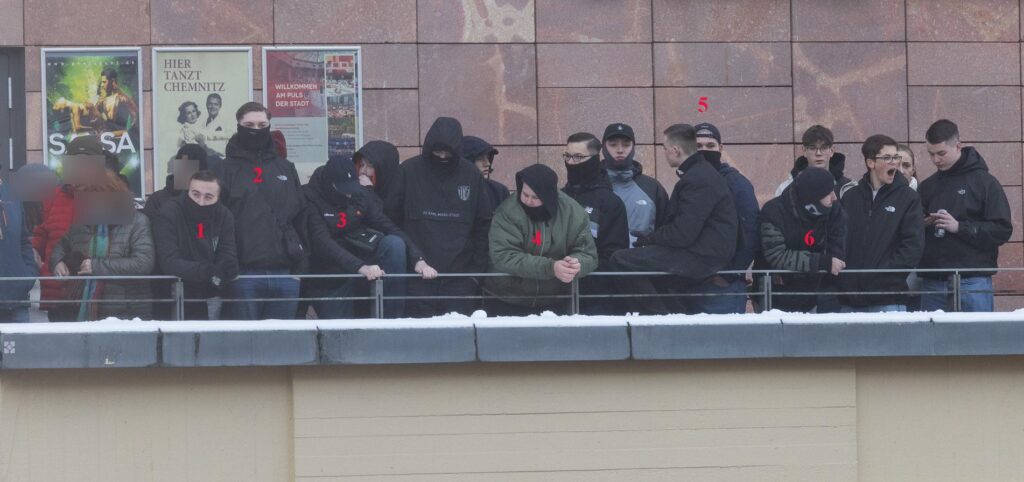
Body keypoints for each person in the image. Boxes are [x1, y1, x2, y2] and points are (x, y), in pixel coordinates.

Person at [211, 102, 324, 320]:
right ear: (239, 126)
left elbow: (300, 219)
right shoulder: (223, 169)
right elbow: (213, 223)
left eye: (262, 124)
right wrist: (228, 269)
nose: (255, 129)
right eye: (249, 124)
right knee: (243, 346)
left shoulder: (285, 168)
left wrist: (300, 270)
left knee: (282, 349)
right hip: (242, 275)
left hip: (285, 274)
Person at [608, 124, 738, 315]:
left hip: (701, 256)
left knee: (620, 260)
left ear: (676, 150)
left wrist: (651, 238)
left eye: (665, 148)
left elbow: (683, 233)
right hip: (702, 252)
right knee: (648, 272)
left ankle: (657, 319)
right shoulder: (699, 174)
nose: (665, 153)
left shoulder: (697, 179)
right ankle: (672, 316)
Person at [302, 155, 437, 318]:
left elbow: (387, 226)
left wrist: (418, 258)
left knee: (394, 244)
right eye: (344, 191)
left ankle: (392, 320)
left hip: (360, 263)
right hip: (330, 277)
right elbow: (322, 242)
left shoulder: (358, 194)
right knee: (340, 334)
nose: (349, 196)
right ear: (330, 184)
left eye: (351, 190)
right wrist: (360, 267)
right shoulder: (309, 196)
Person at [395, 117, 492, 317]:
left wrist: (474, 276)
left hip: (460, 279)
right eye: (437, 152)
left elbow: (483, 226)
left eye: (447, 153)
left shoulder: (471, 176)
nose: (442, 157)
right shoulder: (408, 171)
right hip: (417, 277)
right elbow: (393, 219)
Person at [918, 119, 1013, 312]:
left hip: (972, 280)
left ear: (958, 146)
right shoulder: (928, 186)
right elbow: (910, 229)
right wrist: (923, 224)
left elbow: (1002, 230)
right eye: (931, 154)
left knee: (977, 341)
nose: (936, 159)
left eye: (941, 153)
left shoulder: (985, 183)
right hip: (933, 280)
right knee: (932, 342)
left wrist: (959, 227)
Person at [484, 164, 598, 315]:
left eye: (536, 197)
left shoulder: (573, 213)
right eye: (524, 194)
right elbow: (504, 256)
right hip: (508, 298)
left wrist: (575, 265)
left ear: (549, 196)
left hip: (555, 300)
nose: (529, 201)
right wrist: (551, 268)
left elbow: (588, 254)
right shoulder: (507, 212)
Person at [50, 170, 155, 321]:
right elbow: (61, 246)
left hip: (126, 313)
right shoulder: (82, 222)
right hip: (83, 311)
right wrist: (57, 262)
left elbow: (144, 263)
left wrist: (96, 267)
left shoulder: (137, 222)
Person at [837, 134, 924, 312]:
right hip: (849, 299)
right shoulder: (850, 197)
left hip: (888, 297)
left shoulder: (908, 198)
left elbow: (912, 247)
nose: (894, 163)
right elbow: (838, 239)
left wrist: (885, 275)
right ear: (871, 163)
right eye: (887, 158)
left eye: (896, 157)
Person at [33, 136, 104, 321]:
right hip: (58, 293)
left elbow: (120, 243)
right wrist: (36, 254)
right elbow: (41, 235)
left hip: (95, 294)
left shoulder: (110, 196)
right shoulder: (53, 196)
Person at [152, 170, 239, 320]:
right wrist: (209, 271)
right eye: (196, 194)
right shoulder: (169, 212)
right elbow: (169, 261)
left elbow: (228, 256)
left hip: (211, 293)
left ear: (218, 198)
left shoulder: (224, 215)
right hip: (172, 294)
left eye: (208, 197)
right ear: (188, 191)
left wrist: (220, 272)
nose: (200, 202)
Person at [759, 167, 847, 312]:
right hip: (779, 298)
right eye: (828, 192)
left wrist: (826, 265)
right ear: (813, 196)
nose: (834, 197)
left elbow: (837, 255)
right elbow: (776, 255)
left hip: (821, 294)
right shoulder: (774, 212)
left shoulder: (835, 211)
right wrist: (821, 262)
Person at [693, 123, 760, 313]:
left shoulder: (737, 184)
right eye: (698, 146)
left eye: (710, 145)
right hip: (692, 283)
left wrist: (730, 274)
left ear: (721, 148)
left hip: (723, 287)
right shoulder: (689, 181)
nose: (704, 150)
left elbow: (751, 230)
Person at [561, 132, 628, 314]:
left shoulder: (609, 202)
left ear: (594, 159)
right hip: (555, 294)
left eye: (578, 157)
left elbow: (614, 254)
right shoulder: (558, 198)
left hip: (596, 300)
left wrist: (578, 268)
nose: (571, 162)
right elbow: (537, 238)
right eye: (567, 156)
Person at [602, 123, 670, 247]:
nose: (620, 150)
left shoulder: (652, 187)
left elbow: (666, 230)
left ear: (633, 147)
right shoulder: (592, 185)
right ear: (604, 148)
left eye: (626, 144)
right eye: (613, 145)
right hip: (601, 263)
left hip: (642, 262)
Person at [1, 168, 39, 322]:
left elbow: (24, 240)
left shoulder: (11, 195)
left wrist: (27, 275)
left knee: (21, 346)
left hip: (16, 301)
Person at [775, 125, 851, 198]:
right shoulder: (785, 189)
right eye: (813, 148)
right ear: (804, 151)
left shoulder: (847, 188)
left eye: (824, 148)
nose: (818, 153)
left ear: (832, 151)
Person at [353, 140, 404, 222]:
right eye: (361, 165)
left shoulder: (399, 196)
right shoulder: (356, 190)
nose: (363, 171)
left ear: (384, 168)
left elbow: (383, 220)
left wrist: (369, 191)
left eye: (370, 165)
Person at [459, 135, 509, 213]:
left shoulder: (499, 192)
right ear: (467, 161)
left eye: (488, 157)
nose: (487, 163)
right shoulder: (452, 190)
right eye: (480, 159)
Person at [202, 93, 232, 164]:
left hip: (220, 161)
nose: (212, 107)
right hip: (205, 161)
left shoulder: (226, 122)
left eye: (216, 104)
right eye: (210, 104)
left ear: (220, 106)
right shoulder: (202, 124)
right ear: (206, 105)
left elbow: (231, 141)